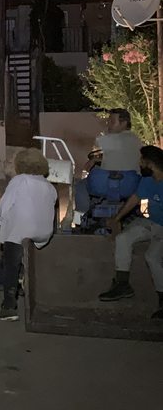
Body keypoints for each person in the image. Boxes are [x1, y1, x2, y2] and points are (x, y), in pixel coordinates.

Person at [97, 145, 163, 319]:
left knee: (152, 257)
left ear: (151, 163)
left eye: (142, 162)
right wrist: (117, 218)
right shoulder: (148, 180)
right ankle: (122, 283)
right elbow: (135, 199)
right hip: (150, 223)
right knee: (123, 239)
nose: (140, 165)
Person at [0, 148, 57, 321]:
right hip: (44, 233)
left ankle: (9, 307)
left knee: (10, 262)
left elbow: (5, 206)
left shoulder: (19, 180)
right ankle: (23, 281)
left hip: (23, 232)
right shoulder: (49, 185)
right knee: (18, 238)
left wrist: (2, 225)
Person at [72, 108, 143, 223]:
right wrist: (97, 159)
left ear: (124, 124)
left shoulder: (108, 139)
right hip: (129, 186)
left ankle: (80, 219)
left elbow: (96, 142)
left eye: (111, 121)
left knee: (81, 186)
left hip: (105, 185)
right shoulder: (137, 141)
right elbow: (120, 153)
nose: (108, 124)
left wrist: (95, 159)